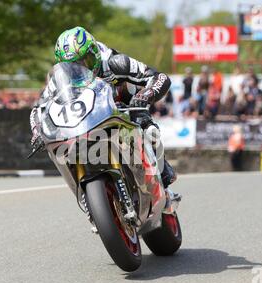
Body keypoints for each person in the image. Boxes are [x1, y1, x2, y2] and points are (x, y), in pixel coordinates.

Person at [30, 26, 176, 189]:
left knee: (147, 128)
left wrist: (146, 94)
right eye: (73, 65)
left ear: (95, 52)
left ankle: (161, 167)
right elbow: (40, 106)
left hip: (122, 101)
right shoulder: (60, 78)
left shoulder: (115, 61)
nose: (81, 68)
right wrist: (36, 130)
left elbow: (159, 77)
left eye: (86, 61)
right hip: (87, 113)